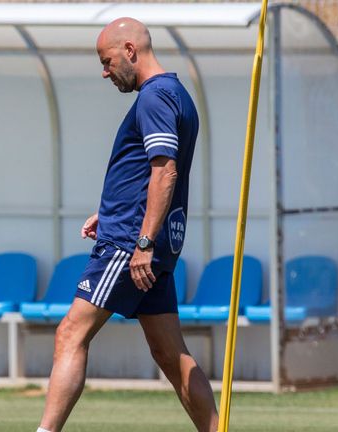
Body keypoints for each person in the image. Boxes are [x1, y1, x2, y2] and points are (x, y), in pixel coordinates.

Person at [36, 17, 218, 432]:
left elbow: (165, 171)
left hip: (130, 245)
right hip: (141, 237)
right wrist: (112, 208)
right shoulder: (175, 94)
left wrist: (142, 241)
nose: (105, 72)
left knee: (70, 334)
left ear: (130, 51)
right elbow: (147, 172)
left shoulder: (154, 97)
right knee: (171, 356)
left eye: (107, 60)